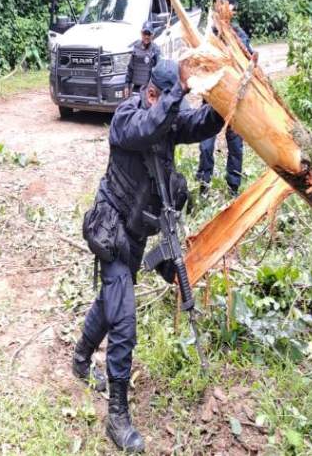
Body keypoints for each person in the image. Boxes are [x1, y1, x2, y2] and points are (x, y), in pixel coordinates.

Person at [72, 59, 224, 453]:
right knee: (123, 319)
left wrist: (228, 98)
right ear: (152, 93)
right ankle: (117, 416)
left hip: (138, 233)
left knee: (111, 302)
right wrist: (180, 93)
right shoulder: (127, 117)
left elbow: (201, 124)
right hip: (111, 230)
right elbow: (147, 128)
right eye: (166, 98)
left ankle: (80, 358)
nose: (172, 109)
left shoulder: (167, 118)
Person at [196, 0, 253, 197]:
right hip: (212, 98)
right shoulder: (210, 34)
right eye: (217, 6)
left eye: (224, 6)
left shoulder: (240, 36)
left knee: (235, 146)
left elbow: (250, 64)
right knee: (205, 144)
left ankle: (233, 188)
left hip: (233, 101)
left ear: (232, 10)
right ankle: (203, 184)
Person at [125, 21, 160, 95]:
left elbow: (159, 71)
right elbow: (130, 68)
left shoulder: (156, 50)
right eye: (145, 33)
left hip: (149, 90)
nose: (146, 36)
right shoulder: (136, 47)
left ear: (152, 35)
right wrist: (126, 85)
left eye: (149, 34)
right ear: (141, 33)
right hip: (136, 89)